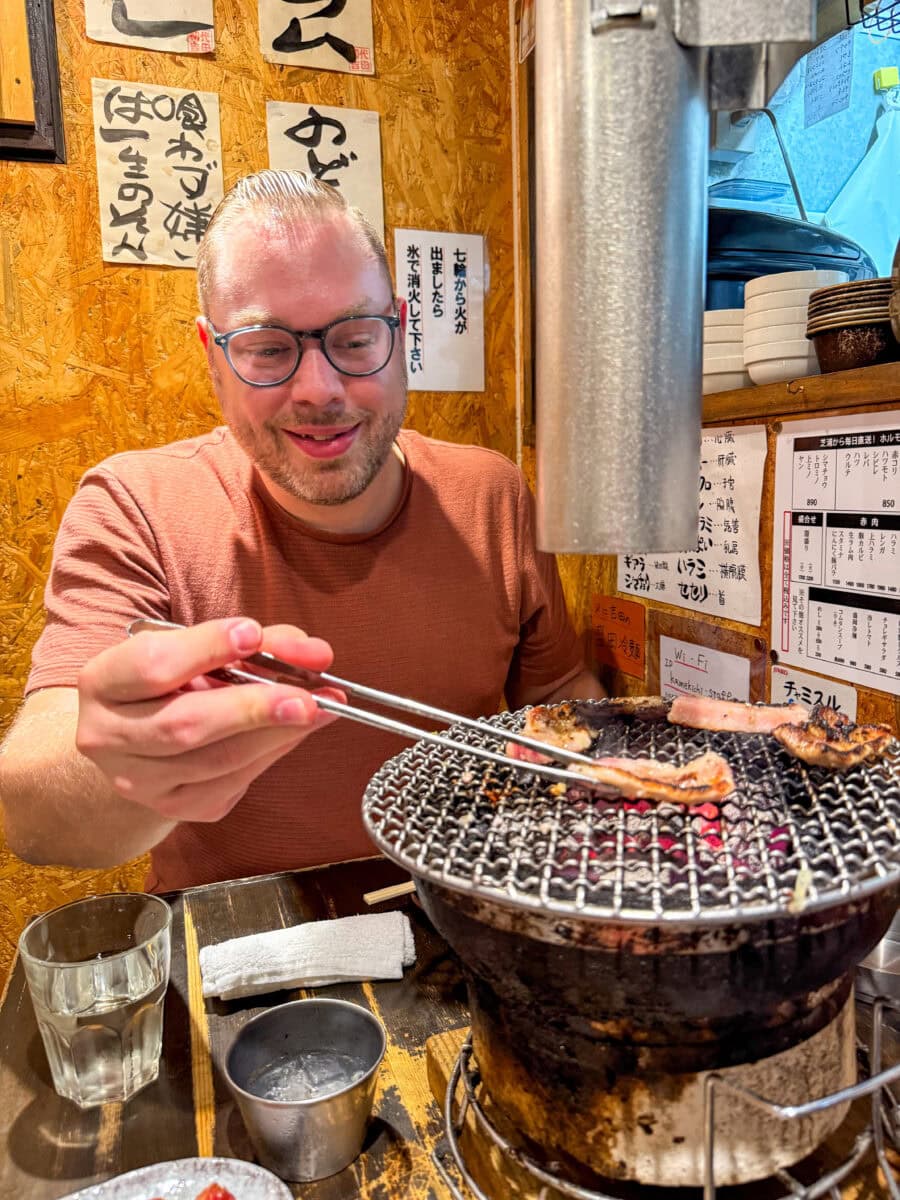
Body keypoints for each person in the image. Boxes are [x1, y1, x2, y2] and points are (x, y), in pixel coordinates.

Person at [0, 170, 605, 892]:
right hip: (248, 942)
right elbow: (32, 816)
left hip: (463, 912)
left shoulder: (492, 493)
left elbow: (558, 690)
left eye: (355, 339)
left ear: (399, 331)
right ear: (213, 357)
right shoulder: (136, 506)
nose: (319, 389)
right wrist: (123, 762)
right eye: (267, 348)